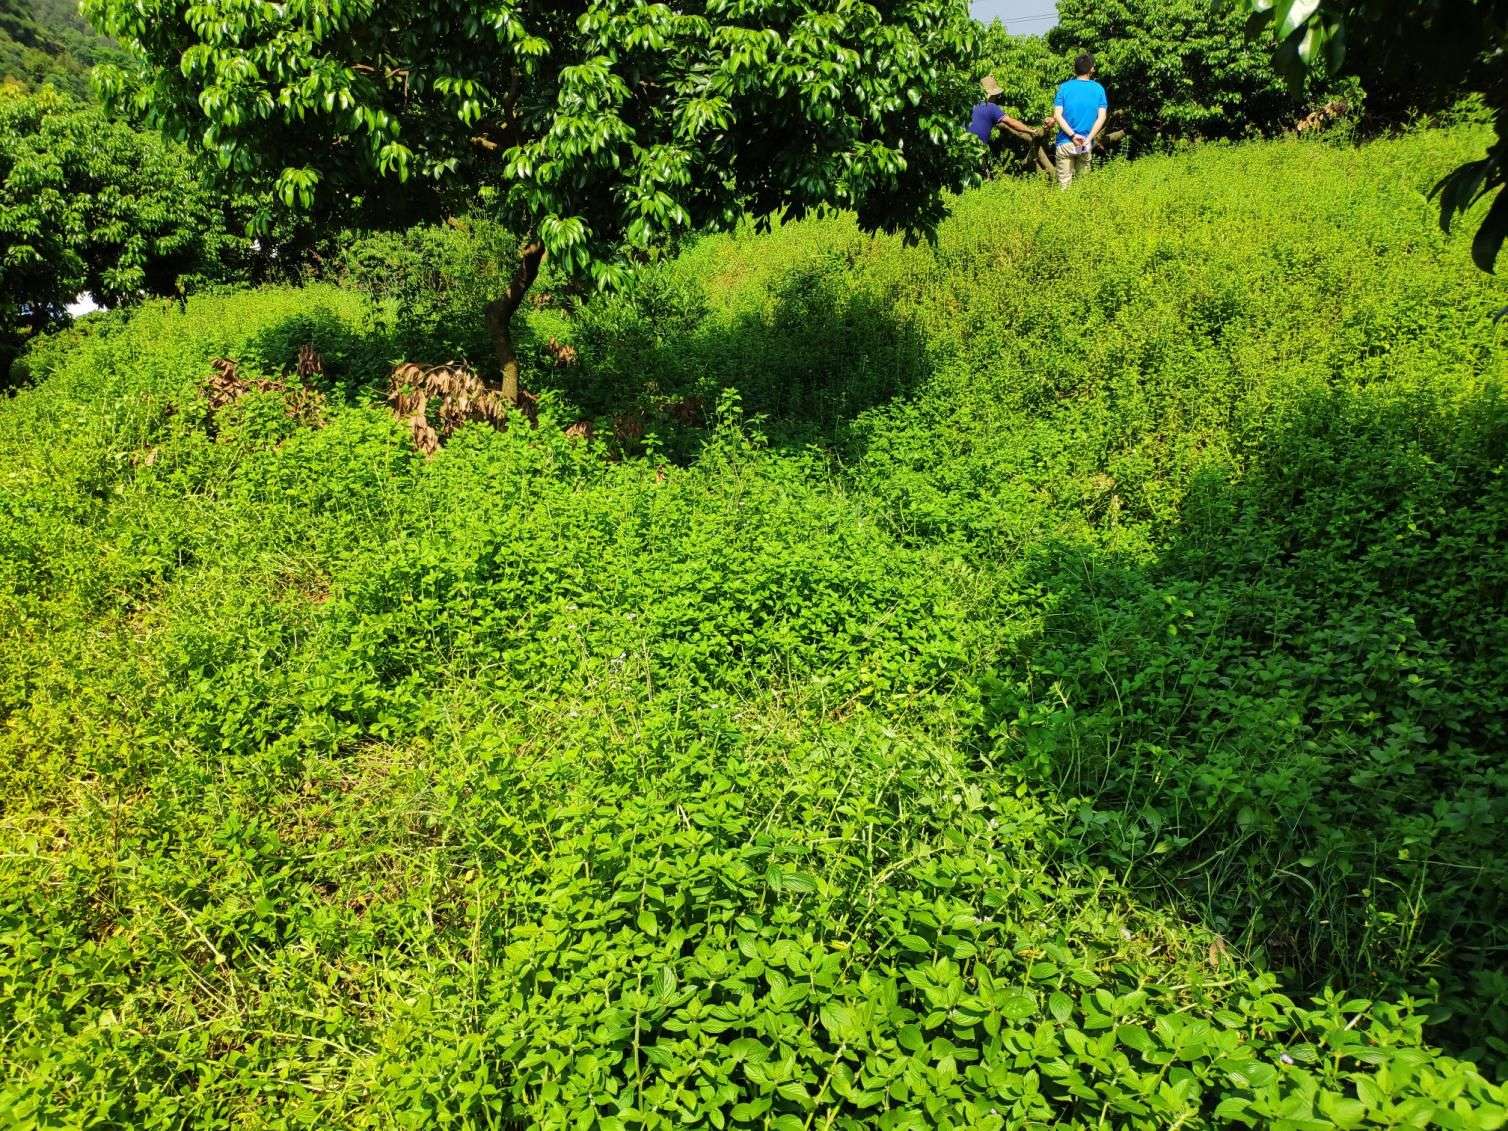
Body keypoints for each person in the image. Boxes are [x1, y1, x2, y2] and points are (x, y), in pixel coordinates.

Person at [1052, 53, 1108, 189]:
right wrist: (1088, 139)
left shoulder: (1064, 87)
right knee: (1083, 187)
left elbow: (1057, 115)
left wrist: (1072, 135)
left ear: (1075, 69)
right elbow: (1102, 117)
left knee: (1064, 187)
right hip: (1085, 143)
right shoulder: (1098, 89)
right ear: (1091, 69)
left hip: (1066, 142)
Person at [969, 76, 1031, 175]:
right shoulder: (991, 107)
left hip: (961, 146)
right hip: (976, 149)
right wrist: (1030, 131)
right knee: (982, 178)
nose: (996, 98)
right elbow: (1012, 123)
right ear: (990, 95)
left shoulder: (969, 105)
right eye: (996, 96)